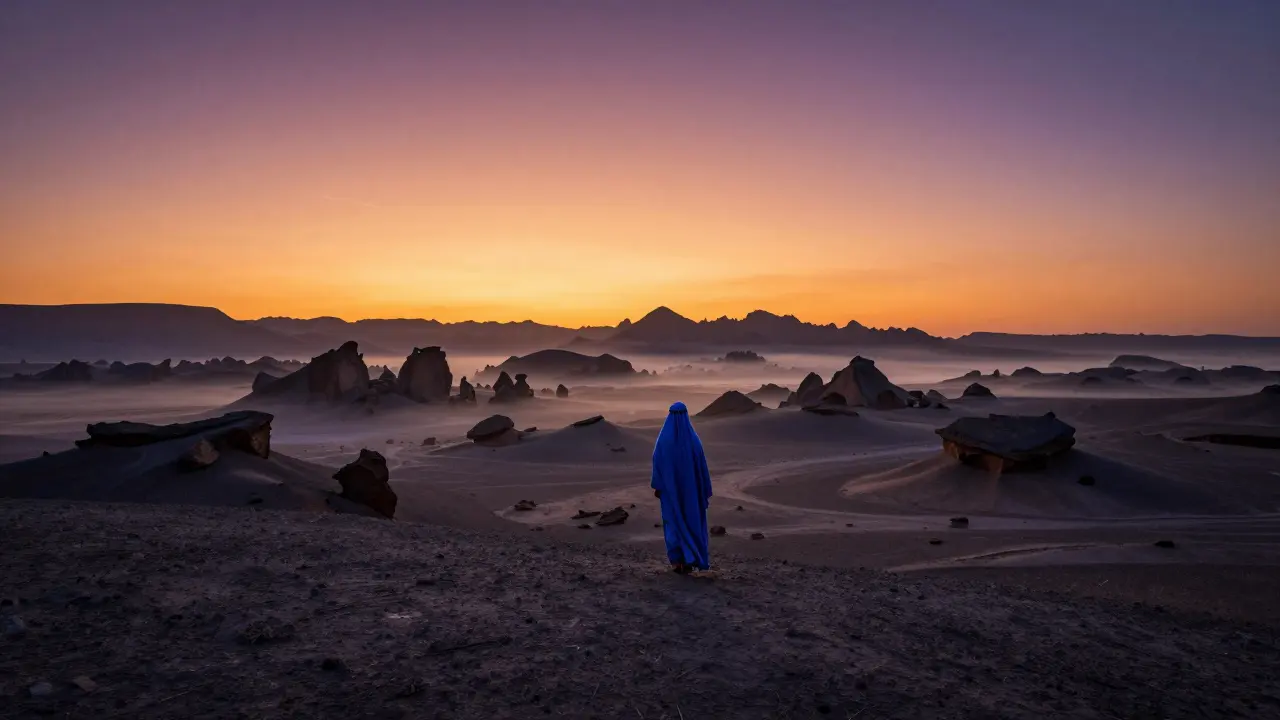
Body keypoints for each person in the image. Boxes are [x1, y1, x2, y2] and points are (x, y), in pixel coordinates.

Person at [651, 401, 713, 573]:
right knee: (690, 521)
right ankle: (689, 559)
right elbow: (702, 468)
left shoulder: (663, 441)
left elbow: (657, 464)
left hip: (670, 493)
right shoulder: (694, 441)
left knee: (673, 523)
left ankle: (677, 561)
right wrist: (703, 489)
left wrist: (658, 486)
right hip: (691, 494)